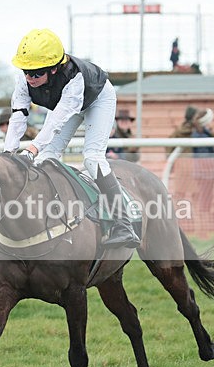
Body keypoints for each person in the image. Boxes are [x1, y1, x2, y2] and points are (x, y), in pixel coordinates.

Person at [7, 28, 140, 248]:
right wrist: (9, 151)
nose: (30, 78)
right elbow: (18, 116)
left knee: (92, 158)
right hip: (65, 103)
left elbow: (55, 122)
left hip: (97, 99)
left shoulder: (73, 78)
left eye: (36, 73)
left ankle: (123, 223)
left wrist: (31, 149)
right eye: (26, 71)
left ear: (53, 69)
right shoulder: (24, 81)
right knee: (46, 158)